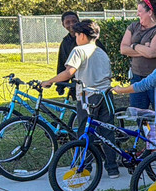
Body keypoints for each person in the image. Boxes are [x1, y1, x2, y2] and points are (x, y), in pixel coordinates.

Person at [40, 20, 119, 178]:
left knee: (85, 132)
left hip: (88, 97)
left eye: (76, 35)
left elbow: (69, 72)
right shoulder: (101, 52)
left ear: (82, 36)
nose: (75, 37)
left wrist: (49, 81)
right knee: (107, 132)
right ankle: (112, 168)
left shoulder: (79, 50)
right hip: (106, 95)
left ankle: (85, 167)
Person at [120, 0, 156, 110]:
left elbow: (152, 53)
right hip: (137, 78)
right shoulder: (134, 27)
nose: (137, 14)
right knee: (138, 114)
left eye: (140, 11)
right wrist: (143, 48)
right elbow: (123, 49)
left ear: (150, 12)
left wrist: (133, 45)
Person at [55, 11, 80, 97]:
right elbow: (62, 64)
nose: (72, 24)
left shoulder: (87, 39)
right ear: (63, 25)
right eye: (67, 22)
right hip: (75, 83)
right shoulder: (65, 42)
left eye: (74, 21)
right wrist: (60, 85)